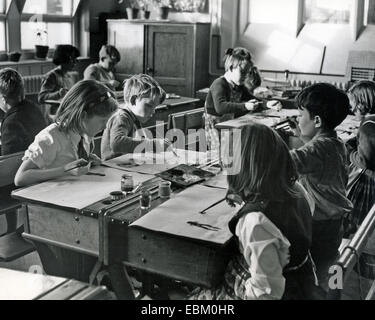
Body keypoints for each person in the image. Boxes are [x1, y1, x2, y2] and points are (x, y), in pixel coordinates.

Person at [188, 123, 316, 300]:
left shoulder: (255, 222)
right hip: (302, 282)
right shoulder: (297, 189)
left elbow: (266, 294)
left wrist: (240, 284)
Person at [289, 83, 353, 292]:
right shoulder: (335, 142)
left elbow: (287, 162)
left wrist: (265, 143)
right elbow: (315, 153)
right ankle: (333, 292)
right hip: (333, 223)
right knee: (328, 266)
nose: (298, 120)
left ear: (316, 120)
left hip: (319, 224)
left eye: (300, 115)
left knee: (318, 271)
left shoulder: (318, 149)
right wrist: (301, 136)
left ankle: (325, 295)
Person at [15, 80, 117, 187]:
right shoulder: (51, 136)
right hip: (48, 197)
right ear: (82, 116)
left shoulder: (83, 134)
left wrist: (89, 163)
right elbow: (20, 178)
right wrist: (65, 170)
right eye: (103, 121)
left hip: (71, 193)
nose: (105, 126)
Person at [0, 68, 46, 234]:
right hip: (38, 170)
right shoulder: (33, 108)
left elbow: (7, 163)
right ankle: (12, 228)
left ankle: (11, 229)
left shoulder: (10, 122)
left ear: (3, 98)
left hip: (16, 181)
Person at [204, 47, 263, 156]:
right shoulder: (219, 84)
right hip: (216, 132)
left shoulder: (238, 86)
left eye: (247, 73)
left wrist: (267, 104)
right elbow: (220, 107)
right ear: (231, 67)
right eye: (242, 72)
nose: (245, 76)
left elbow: (254, 99)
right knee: (226, 157)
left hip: (229, 128)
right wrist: (245, 106)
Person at [101, 74, 171, 161]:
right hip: (111, 168)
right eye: (149, 105)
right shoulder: (121, 117)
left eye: (155, 107)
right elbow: (117, 143)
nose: (153, 111)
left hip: (126, 165)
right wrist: (153, 145)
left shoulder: (134, 117)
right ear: (133, 100)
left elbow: (141, 141)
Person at [344, 116, 375, 279]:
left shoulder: (369, 127)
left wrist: (350, 150)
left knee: (357, 222)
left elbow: (364, 160)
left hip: (368, 183)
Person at [38, 45, 80, 123]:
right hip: (55, 116)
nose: (75, 62)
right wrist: (58, 94)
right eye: (72, 59)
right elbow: (41, 98)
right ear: (64, 58)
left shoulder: (72, 76)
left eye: (76, 59)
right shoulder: (52, 76)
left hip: (67, 113)